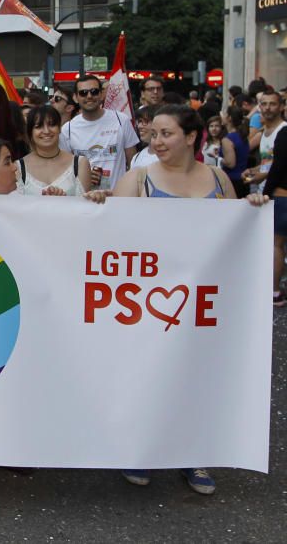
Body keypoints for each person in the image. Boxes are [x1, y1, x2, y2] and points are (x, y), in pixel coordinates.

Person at [113, 104, 238, 495]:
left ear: (191, 137)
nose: (157, 141)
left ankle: (192, 454)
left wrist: (250, 211)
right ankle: (142, 451)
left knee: (195, 377)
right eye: (154, 134)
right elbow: (110, 239)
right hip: (152, 303)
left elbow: (236, 237)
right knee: (150, 376)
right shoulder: (138, 179)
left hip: (201, 302)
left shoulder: (218, 179)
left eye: (166, 134)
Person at [59, 74, 139, 191]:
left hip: (118, 198)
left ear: (101, 94)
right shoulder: (67, 129)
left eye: (94, 91)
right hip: (85, 199)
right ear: (75, 98)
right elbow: (65, 169)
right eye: (83, 93)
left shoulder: (121, 120)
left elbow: (133, 162)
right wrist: (84, 176)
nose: (89, 96)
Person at [15, 105, 92, 196]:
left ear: (59, 128)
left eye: (52, 125)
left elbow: (85, 207)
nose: (46, 131)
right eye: (38, 126)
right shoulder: (18, 167)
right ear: (30, 132)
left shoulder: (80, 163)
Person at [262, 123, 287, 306]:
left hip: (282, 195)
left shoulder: (284, 134)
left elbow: (278, 167)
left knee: (276, 244)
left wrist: (267, 191)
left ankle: (274, 291)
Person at [243, 90, 286, 191]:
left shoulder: (284, 130)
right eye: (264, 104)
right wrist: (251, 171)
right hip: (262, 193)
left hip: (279, 194)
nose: (267, 108)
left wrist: (263, 176)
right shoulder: (263, 131)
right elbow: (268, 162)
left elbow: (283, 166)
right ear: (260, 107)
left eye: (272, 104)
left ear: (281, 107)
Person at [222, 106, 251, 199]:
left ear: (229, 118)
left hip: (232, 180)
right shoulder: (243, 136)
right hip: (245, 179)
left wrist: (218, 158)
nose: (222, 116)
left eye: (224, 114)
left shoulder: (227, 139)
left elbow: (231, 164)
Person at [130, 104, 159, 169]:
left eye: (145, 121)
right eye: (139, 121)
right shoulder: (136, 157)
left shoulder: (169, 158)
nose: (139, 126)